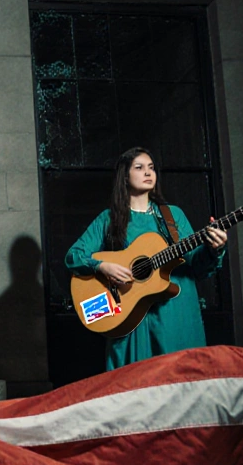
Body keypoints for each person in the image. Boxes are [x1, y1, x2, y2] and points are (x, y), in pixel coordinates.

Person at [64, 147, 227, 370]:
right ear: (125, 177)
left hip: (175, 316)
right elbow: (73, 256)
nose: (148, 172)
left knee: (181, 382)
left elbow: (197, 268)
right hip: (129, 317)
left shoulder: (172, 216)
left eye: (151, 168)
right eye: (139, 168)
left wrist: (213, 250)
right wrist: (101, 266)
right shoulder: (109, 219)